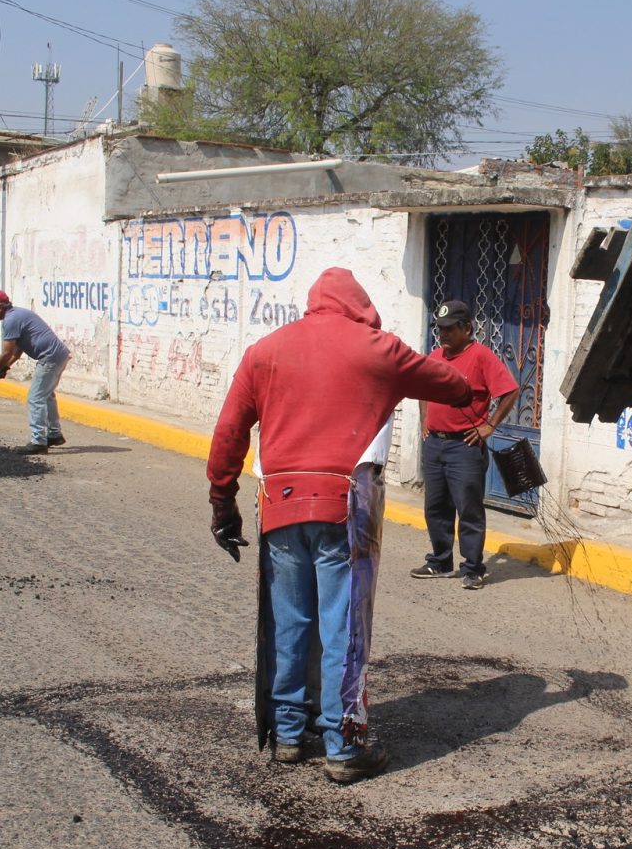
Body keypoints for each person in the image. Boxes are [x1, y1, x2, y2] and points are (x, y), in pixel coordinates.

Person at [207, 267, 472, 784]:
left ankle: (287, 734)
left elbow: (229, 432)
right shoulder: (379, 350)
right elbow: (455, 388)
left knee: (290, 621)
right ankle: (344, 743)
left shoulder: (265, 351)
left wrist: (223, 501)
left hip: (279, 504)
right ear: (361, 306)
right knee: (344, 625)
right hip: (346, 504)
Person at [411, 299, 519, 590]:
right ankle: (440, 561)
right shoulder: (434, 356)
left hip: (464, 447)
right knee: (435, 507)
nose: (442, 334)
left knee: (468, 509)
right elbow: (423, 388)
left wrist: (490, 426)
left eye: (449, 329)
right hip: (435, 444)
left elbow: (510, 391)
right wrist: (425, 420)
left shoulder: (481, 356)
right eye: (440, 329)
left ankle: (473, 567)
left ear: (466, 328)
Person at [0, 289, 70, 454]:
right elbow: (18, 350)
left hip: (50, 357)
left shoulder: (10, 320)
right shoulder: (18, 314)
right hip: (58, 355)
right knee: (46, 395)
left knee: (35, 398)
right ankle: (54, 434)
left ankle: (38, 442)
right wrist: (4, 368)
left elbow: (7, 352)